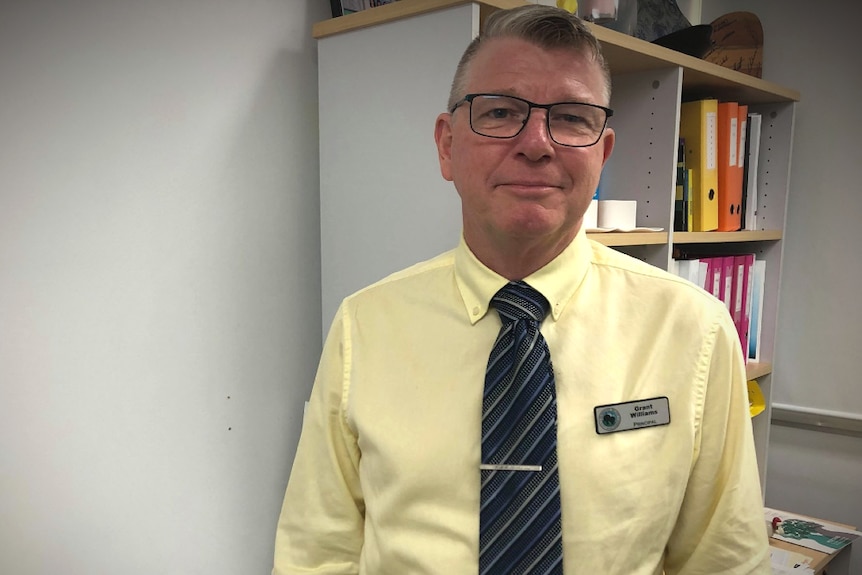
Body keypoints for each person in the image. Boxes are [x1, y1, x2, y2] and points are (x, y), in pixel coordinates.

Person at [273, 5, 770, 574]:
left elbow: (725, 563)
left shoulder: (694, 331)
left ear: (602, 153)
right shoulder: (364, 325)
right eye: (501, 111)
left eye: (573, 117)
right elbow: (316, 553)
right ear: (446, 146)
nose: (536, 143)